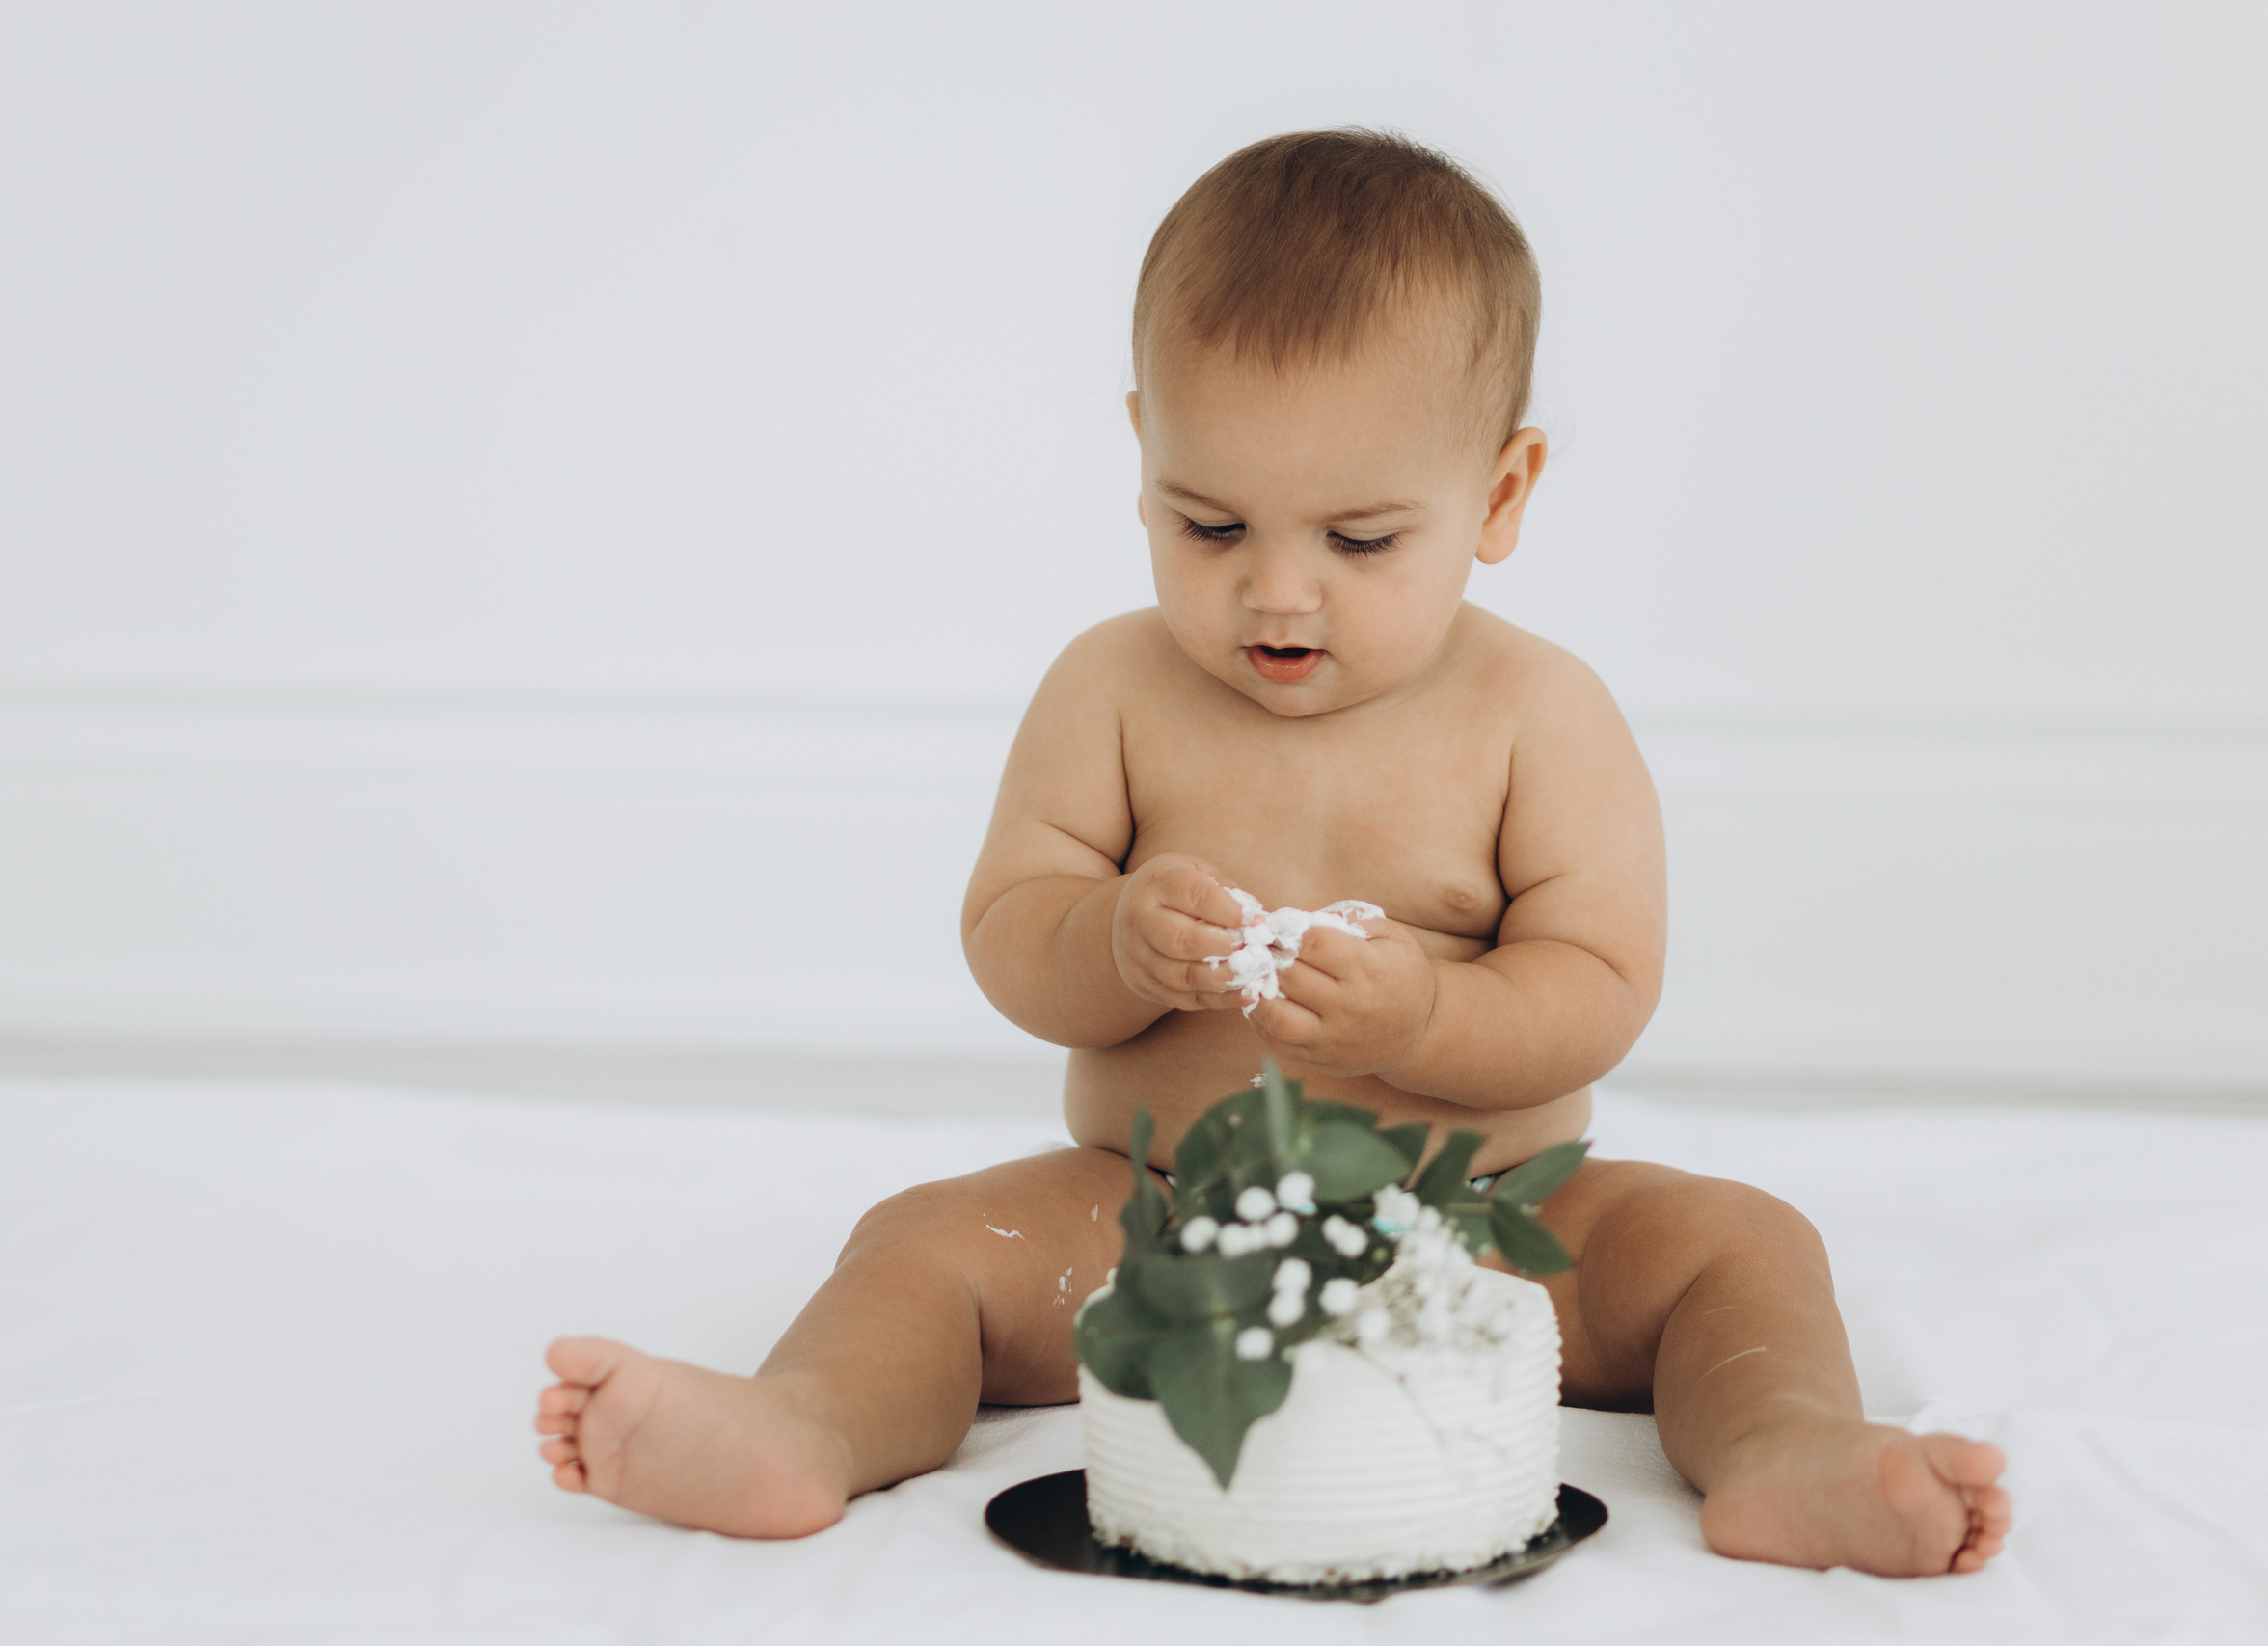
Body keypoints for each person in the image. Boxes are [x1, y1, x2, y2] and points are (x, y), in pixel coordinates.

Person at [534, 128, 2011, 1576]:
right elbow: (1008, 930)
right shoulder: (1110, 691)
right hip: (1156, 1226)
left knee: (1738, 1244)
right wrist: (1108, 938)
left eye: (1361, 540)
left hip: (1491, 1236)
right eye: (1212, 522)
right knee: (923, 1242)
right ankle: (805, 1426)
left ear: (1499, 498)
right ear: (1142, 456)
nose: (1277, 592)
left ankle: (1786, 1448)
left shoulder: (1537, 714)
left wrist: (1429, 1017)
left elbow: (1604, 977)